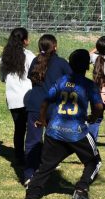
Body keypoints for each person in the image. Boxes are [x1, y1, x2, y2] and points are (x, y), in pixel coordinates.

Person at [21, 49, 104, 199]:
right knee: (94, 162)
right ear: (87, 66)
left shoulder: (61, 81)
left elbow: (45, 102)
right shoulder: (88, 85)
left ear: (70, 65)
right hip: (76, 132)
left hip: (54, 131)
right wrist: (94, 117)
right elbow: (99, 106)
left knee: (45, 167)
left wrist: (42, 119)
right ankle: (81, 190)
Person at [23, 34, 73, 186]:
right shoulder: (61, 63)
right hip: (53, 107)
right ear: (55, 46)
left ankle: (29, 175)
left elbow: (31, 79)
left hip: (35, 105)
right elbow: (72, 81)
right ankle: (48, 170)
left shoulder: (35, 61)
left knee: (33, 141)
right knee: (55, 140)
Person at [0, 27, 36, 167]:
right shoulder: (29, 55)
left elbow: (2, 78)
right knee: (33, 128)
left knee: (19, 129)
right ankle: (33, 156)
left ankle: (19, 157)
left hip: (13, 98)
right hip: (28, 97)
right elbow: (34, 74)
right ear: (25, 41)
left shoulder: (4, 57)